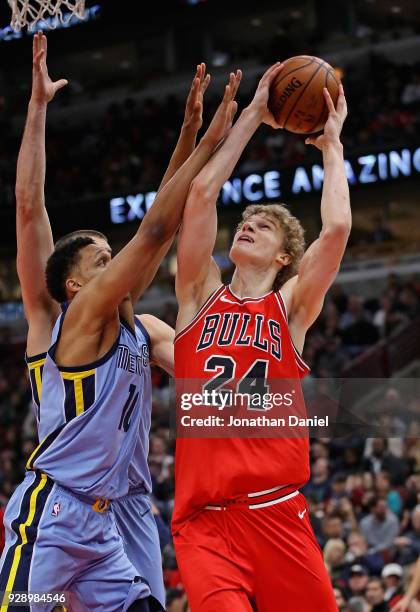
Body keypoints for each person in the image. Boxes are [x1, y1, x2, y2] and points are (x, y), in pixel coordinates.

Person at [0, 31, 241, 611]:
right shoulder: (64, 321)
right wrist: (36, 109)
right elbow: (32, 207)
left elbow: (157, 226)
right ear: (79, 285)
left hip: (114, 517)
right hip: (56, 512)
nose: (117, 265)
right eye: (102, 260)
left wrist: (187, 137)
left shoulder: (137, 324)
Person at [172, 58, 350, 611]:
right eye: (245, 220)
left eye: (263, 224)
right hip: (205, 525)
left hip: (278, 514)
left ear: (285, 256)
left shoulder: (291, 307)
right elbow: (201, 194)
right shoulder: (199, 295)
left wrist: (332, 147)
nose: (246, 224)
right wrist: (253, 114)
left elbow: (338, 227)